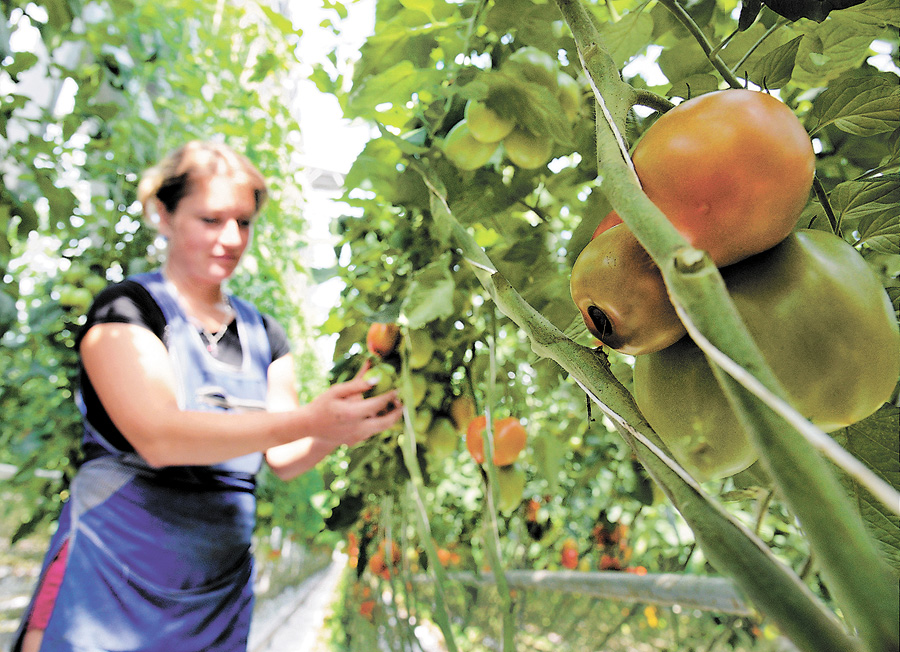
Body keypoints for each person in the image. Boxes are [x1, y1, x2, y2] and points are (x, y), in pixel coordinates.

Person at [13, 140, 403, 652]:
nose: (230, 238)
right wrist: (309, 419)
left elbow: (283, 457)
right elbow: (159, 437)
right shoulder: (126, 311)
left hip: (214, 589)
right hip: (112, 570)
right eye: (211, 219)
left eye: (243, 222)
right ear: (163, 214)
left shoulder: (265, 334)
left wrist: (345, 424)